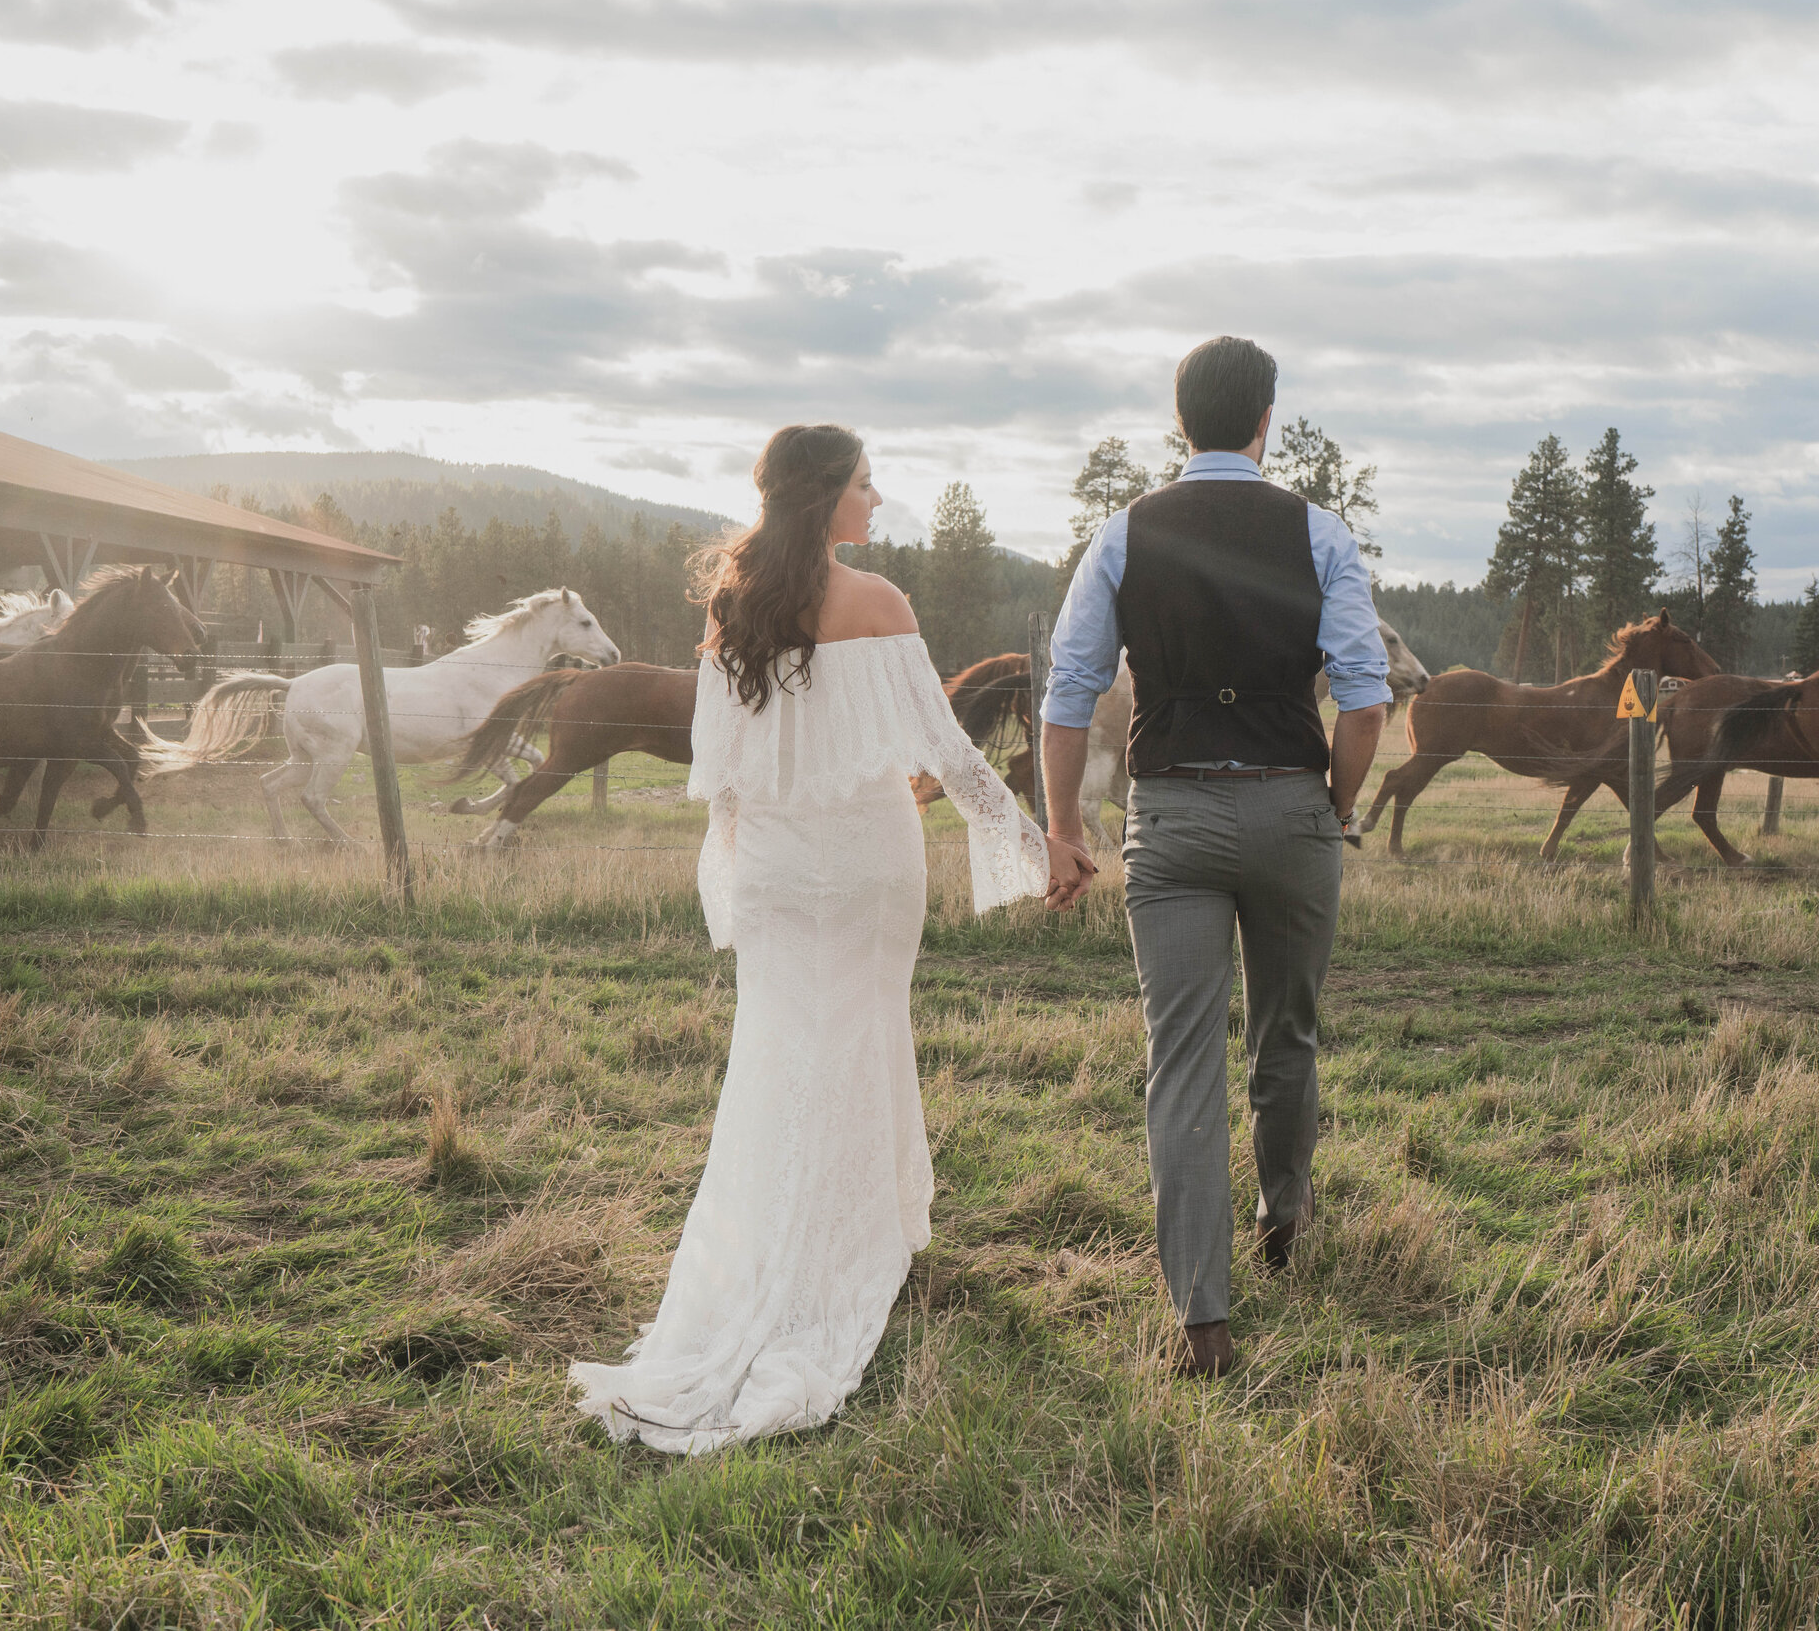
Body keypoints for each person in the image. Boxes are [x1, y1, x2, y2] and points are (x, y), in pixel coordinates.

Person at [569, 424, 1098, 1453]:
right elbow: (945, 750)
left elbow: (718, 777)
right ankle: (844, 1256)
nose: (879, 499)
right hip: (862, 860)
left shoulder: (731, 610)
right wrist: (1041, 850)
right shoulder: (879, 603)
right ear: (826, 497)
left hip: (773, 863)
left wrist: (742, 871)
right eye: (866, 484)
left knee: (777, 1057)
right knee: (858, 1041)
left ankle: (827, 1241)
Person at [1038, 337, 1388, 1377]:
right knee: (1289, 1032)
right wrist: (1330, 803)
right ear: (1265, 420)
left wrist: (1063, 829)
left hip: (1174, 815)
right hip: (1290, 811)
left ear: (1179, 420)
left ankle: (1203, 1319)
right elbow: (1366, 698)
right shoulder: (1320, 531)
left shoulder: (1123, 533)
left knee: (1180, 1061)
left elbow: (1067, 693)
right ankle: (1285, 1216)